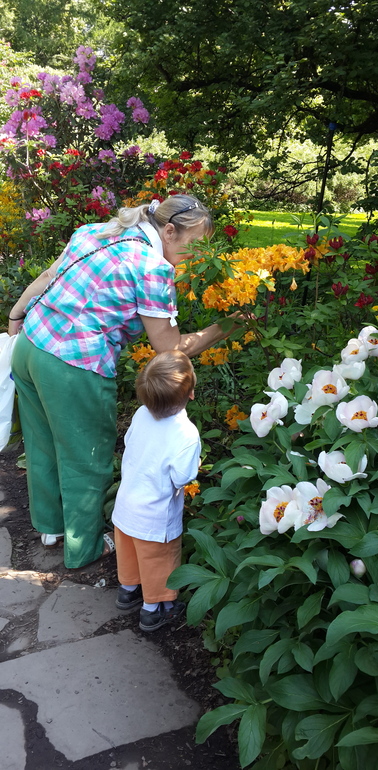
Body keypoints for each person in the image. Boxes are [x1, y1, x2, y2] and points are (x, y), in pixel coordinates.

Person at [8, 195, 242, 569]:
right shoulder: (152, 267)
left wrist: (17, 312)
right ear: (168, 231)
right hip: (74, 364)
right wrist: (226, 326)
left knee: (43, 442)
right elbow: (169, 350)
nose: (198, 255)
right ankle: (82, 548)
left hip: (32, 345)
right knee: (87, 458)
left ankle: (51, 528)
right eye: (194, 245)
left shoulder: (98, 231)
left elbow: (49, 276)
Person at [112, 350, 199, 632]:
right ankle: (155, 609)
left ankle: (128, 591)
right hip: (155, 516)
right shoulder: (186, 433)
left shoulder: (140, 415)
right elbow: (182, 477)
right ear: (191, 393)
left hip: (126, 507)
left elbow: (129, 442)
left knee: (130, 554)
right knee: (158, 561)